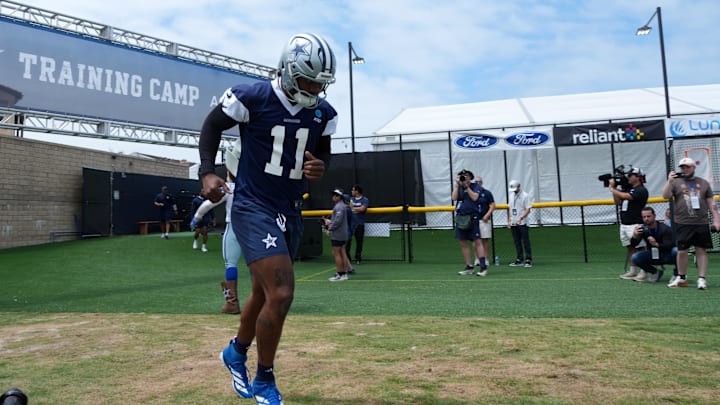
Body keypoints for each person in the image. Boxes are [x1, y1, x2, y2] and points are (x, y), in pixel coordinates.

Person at [198, 33, 337, 405]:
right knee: (283, 292)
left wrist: (321, 166)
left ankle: (235, 352)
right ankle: (264, 379)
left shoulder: (323, 113)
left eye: (321, 83)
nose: (314, 89)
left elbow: (321, 155)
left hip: (289, 209)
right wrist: (207, 171)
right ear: (290, 71)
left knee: (263, 294)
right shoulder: (253, 97)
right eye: (309, 80)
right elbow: (212, 126)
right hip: (252, 205)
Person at [192, 143, 243, 314]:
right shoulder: (254, 189)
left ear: (229, 173)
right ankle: (261, 301)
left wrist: (196, 218)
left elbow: (207, 205)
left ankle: (232, 303)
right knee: (256, 265)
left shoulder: (228, 189)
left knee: (231, 264)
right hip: (253, 228)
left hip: (233, 228)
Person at [662, 157, 720, 290]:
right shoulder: (676, 182)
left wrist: (717, 219)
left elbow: (711, 203)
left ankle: (702, 279)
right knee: (682, 251)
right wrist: (669, 181)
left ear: (693, 167)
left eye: (687, 167)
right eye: (682, 167)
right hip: (683, 223)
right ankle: (681, 277)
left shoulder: (703, 183)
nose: (685, 169)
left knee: (701, 250)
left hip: (701, 222)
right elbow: (665, 195)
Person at [613, 167, 649, 280]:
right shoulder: (628, 189)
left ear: (637, 177)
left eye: (630, 175)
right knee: (630, 247)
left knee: (641, 247)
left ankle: (644, 271)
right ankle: (633, 270)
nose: (628, 177)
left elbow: (625, 196)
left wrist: (611, 188)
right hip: (625, 223)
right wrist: (614, 190)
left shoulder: (641, 190)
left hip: (635, 223)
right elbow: (618, 201)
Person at [628, 207, 677, 283]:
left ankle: (677, 274)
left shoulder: (664, 228)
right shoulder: (643, 229)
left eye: (648, 216)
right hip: (653, 255)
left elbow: (670, 245)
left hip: (667, 255)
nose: (646, 219)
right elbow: (633, 245)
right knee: (635, 257)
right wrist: (634, 235)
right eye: (644, 217)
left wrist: (656, 244)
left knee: (676, 251)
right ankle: (655, 272)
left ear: (654, 216)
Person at [454, 169, 488, 276]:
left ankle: (483, 267)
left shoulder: (475, 186)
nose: (465, 177)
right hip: (461, 217)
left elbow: (474, 197)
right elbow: (454, 198)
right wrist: (457, 185)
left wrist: (466, 187)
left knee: (477, 241)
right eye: (462, 176)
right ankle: (469, 266)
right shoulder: (459, 187)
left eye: (467, 176)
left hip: (472, 217)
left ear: (471, 177)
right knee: (463, 242)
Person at [324, 189, 351, 281]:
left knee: (337, 253)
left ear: (339, 197)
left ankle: (340, 273)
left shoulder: (339, 207)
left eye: (335, 195)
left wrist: (330, 228)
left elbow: (338, 221)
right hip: (343, 234)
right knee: (342, 252)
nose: (333, 197)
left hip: (338, 234)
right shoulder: (342, 206)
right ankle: (344, 273)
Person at [507, 179, 533, 267]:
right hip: (514, 222)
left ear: (519, 186)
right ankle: (519, 259)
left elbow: (528, 209)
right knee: (517, 241)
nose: (514, 191)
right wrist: (509, 220)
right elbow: (509, 208)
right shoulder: (511, 196)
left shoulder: (525, 196)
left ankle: (528, 259)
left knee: (525, 241)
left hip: (523, 222)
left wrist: (521, 218)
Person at [473, 176, 495, 270]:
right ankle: (477, 258)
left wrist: (487, 215)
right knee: (475, 240)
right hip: (474, 219)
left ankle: (485, 258)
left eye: (479, 182)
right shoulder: (472, 193)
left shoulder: (487, 193)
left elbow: (493, 205)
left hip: (484, 219)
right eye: (476, 182)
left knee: (485, 239)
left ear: (482, 183)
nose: (478, 183)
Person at [346, 184, 369, 264]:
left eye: (353, 190)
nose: (351, 192)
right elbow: (349, 208)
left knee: (359, 241)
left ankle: (358, 257)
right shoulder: (351, 199)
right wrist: (355, 209)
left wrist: (354, 209)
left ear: (357, 191)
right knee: (348, 241)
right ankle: (347, 258)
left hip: (360, 223)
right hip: (351, 224)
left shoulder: (364, 199)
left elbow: (363, 209)